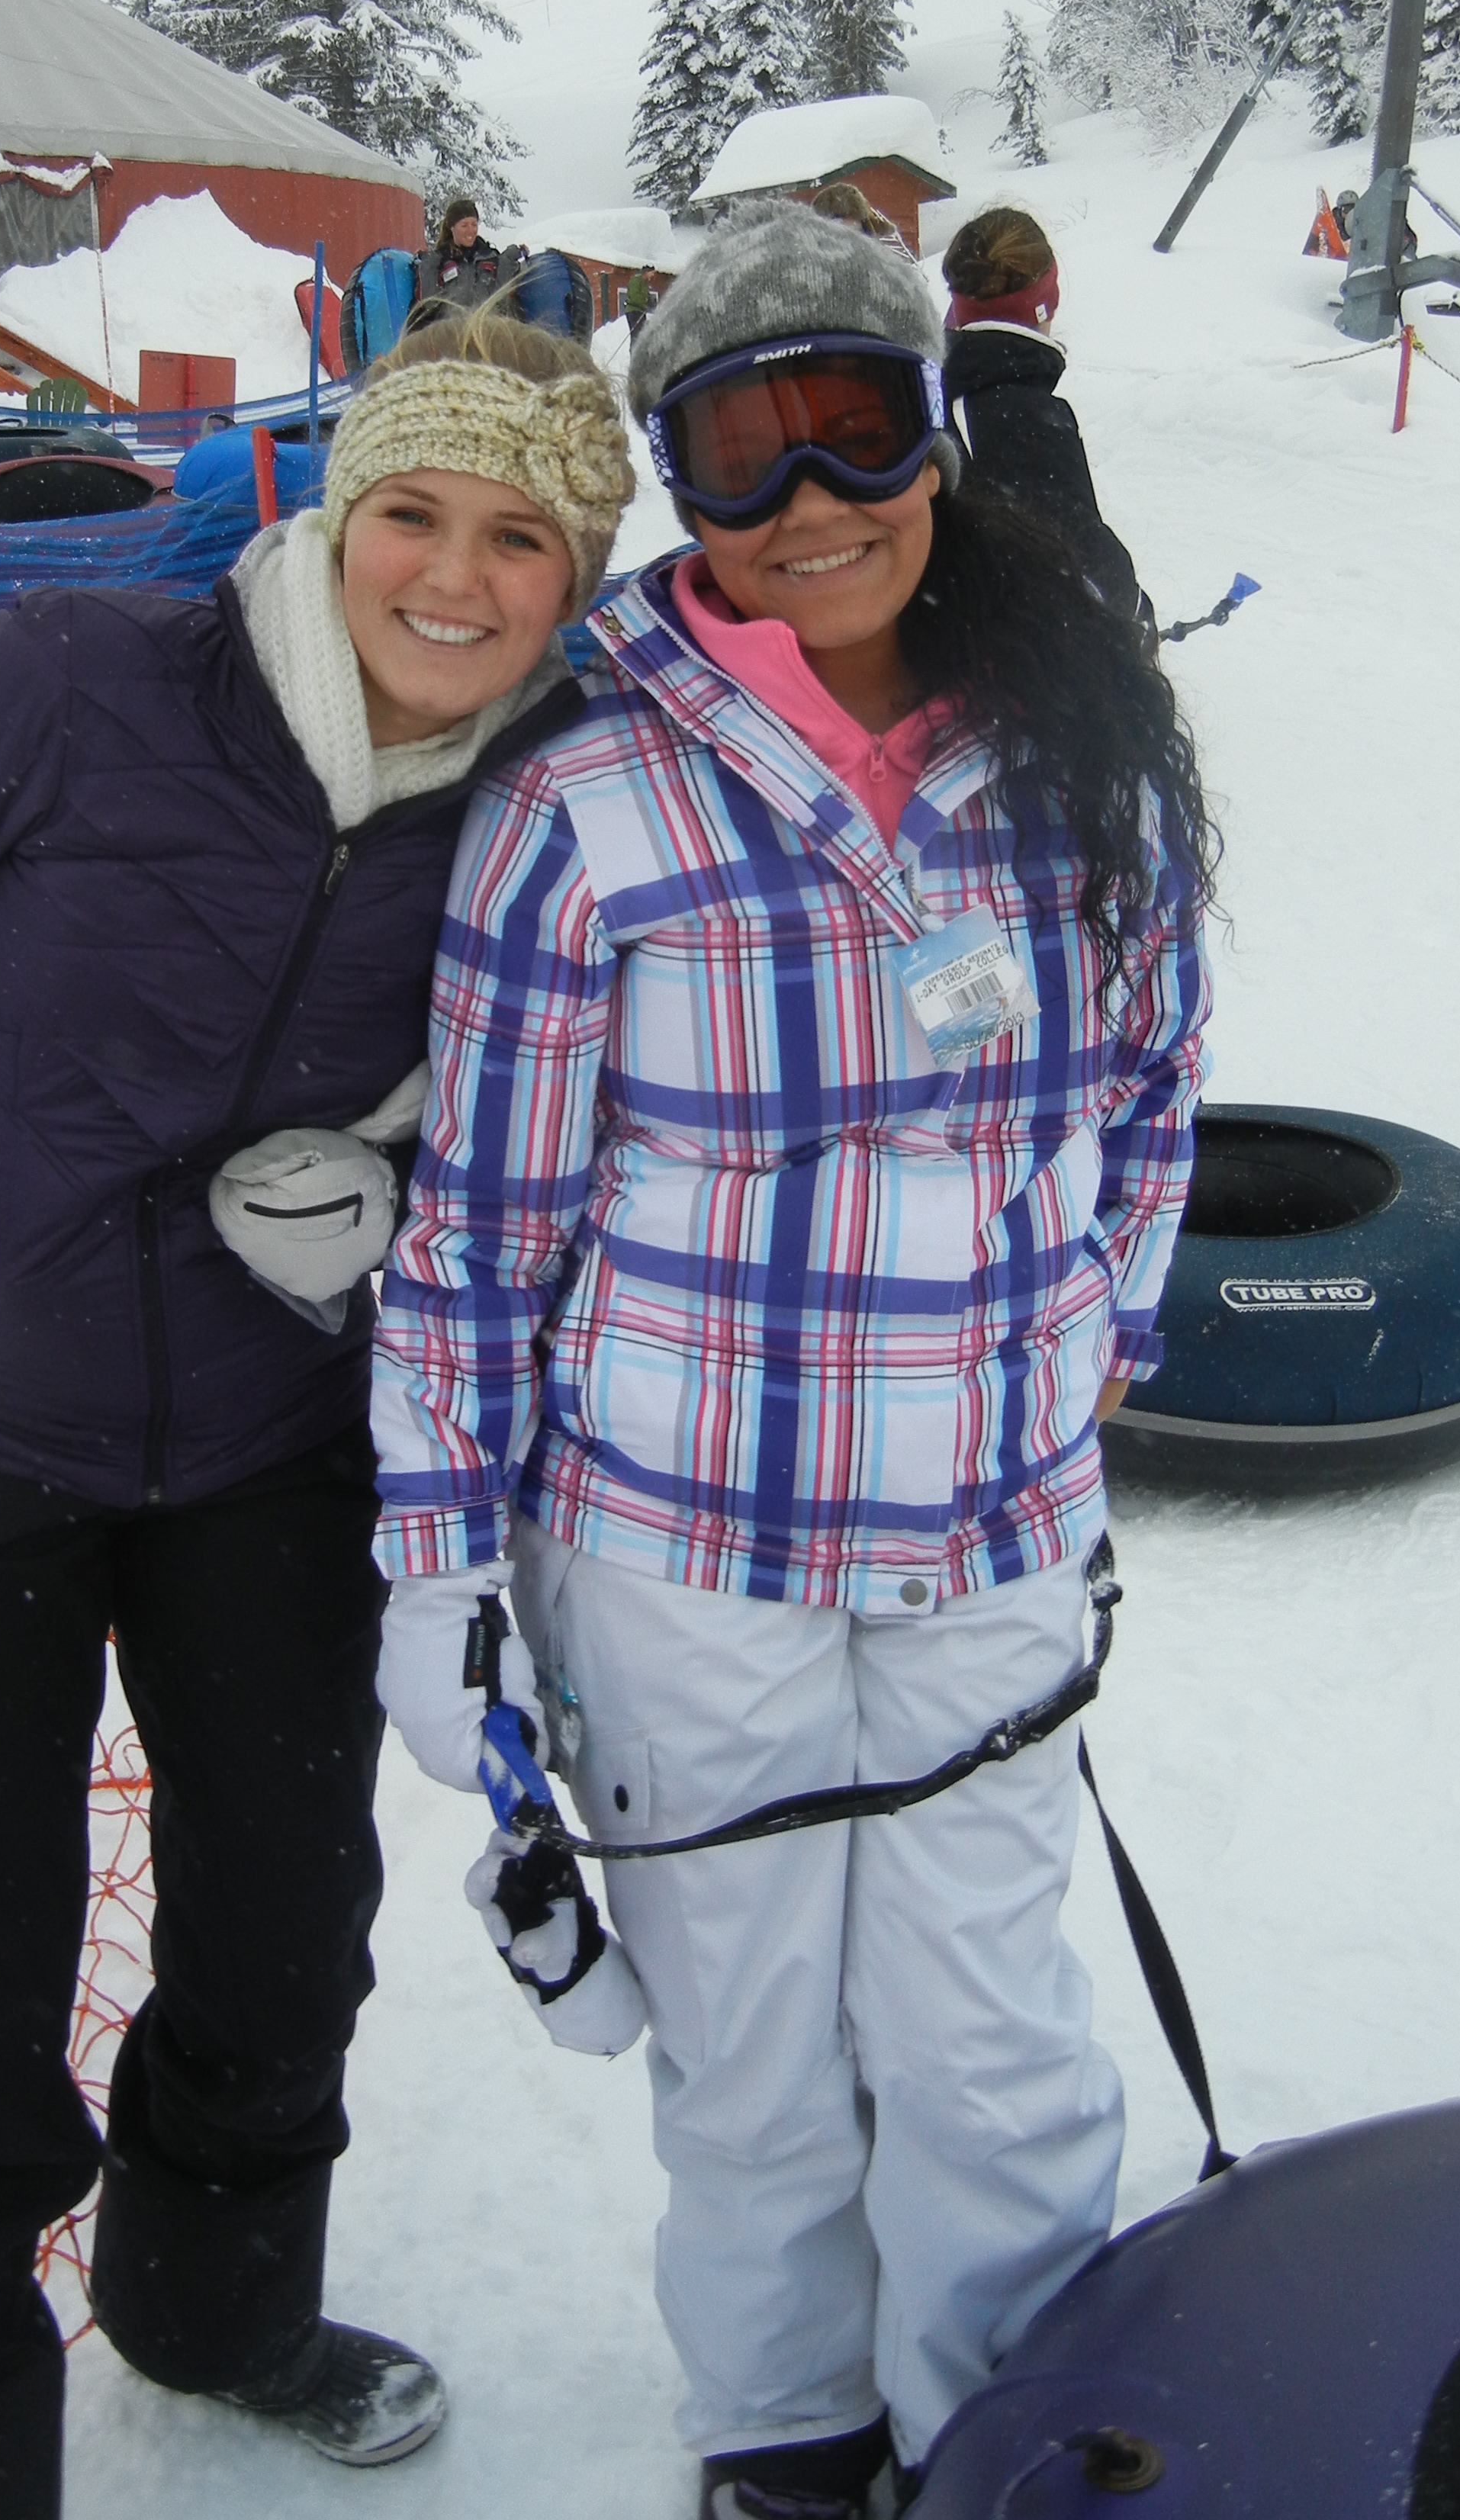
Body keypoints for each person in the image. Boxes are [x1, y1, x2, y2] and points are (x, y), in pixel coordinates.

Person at [0, 306, 635, 2520]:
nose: (454, 575)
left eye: (520, 537)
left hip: (274, 1432)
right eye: (411, 510)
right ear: (333, 515)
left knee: (281, 1934)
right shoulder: (82, 681)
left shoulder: (563, 785)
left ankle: (217, 2315)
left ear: (577, 576)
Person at [369, 207, 1216, 2518]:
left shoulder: (1082, 754)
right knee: (747, 2064)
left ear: (936, 430)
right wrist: (440, 1567)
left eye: (857, 423)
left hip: (984, 1537)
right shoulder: (582, 804)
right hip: (683, 1550)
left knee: (989, 2048)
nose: (812, 497)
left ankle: (991, 2435)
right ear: (678, 480)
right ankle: (784, 2438)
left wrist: (1095, 1339)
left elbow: (1151, 1094)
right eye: (743, 451)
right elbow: (485, 1231)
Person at [939, 205, 1138, 610]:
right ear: (1046, 303)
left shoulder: (938, 385)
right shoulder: (1020, 412)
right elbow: (1086, 566)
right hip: (1008, 636)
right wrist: (1136, 619)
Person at [416, 193, 513, 311]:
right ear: (452, 227)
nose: (470, 231)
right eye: (464, 225)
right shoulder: (440, 260)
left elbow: (501, 299)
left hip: (487, 320)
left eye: (474, 224)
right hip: (452, 322)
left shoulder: (490, 257)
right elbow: (429, 304)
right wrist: (428, 264)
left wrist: (508, 259)